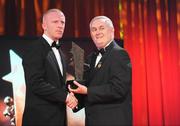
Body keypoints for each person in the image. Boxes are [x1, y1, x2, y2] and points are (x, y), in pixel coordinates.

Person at [69, 16, 132, 126]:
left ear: (112, 31)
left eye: (101, 28)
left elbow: (118, 89)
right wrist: (75, 98)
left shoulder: (120, 54)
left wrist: (87, 91)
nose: (97, 32)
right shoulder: (90, 58)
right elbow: (90, 87)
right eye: (94, 29)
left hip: (113, 121)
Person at [22, 9, 78, 126]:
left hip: (58, 119)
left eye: (62, 22)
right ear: (44, 25)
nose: (60, 26)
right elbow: (36, 83)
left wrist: (72, 92)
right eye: (55, 22)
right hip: (39, 119)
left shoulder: (61, 53)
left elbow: (56, 83)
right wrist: (66, 97)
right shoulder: (34, 49)